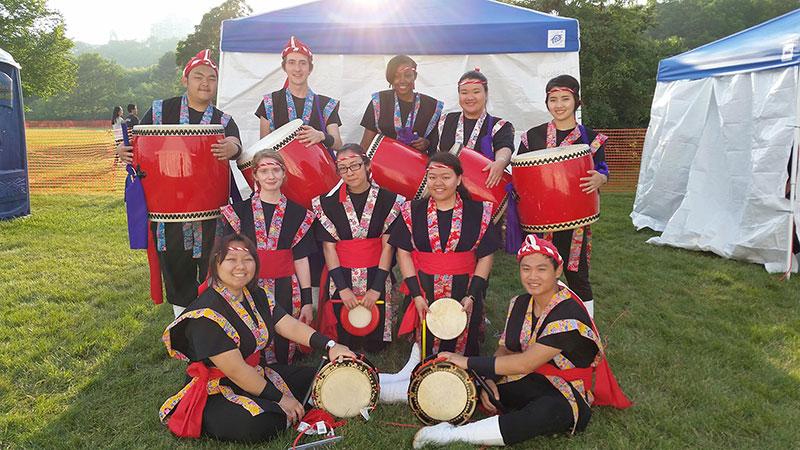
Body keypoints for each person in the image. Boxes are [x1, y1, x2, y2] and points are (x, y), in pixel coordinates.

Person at [412, 234, 631, 448]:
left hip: (568, 390)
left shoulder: (568, 312)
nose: (532, 276)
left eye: (541, 269)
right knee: (480, 389)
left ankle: (452, 436)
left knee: (547, 411)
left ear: (558, 271)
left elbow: (525, 362)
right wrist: (489, 379)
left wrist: (467, 361)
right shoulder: (520, 303)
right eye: (526, 269)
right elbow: (506, 349)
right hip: (532, 378)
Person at [159, 233, 355, 442]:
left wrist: (330, 345)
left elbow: (289, 325)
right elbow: (236, 371)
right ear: (216, 264)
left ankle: (292, 406)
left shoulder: (256, 295)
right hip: (219, 387)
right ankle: (282, 408)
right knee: (258, 425)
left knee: (319, 378)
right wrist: (282, 399)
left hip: (257, 374)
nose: (241, 266)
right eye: (231, 260)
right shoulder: (205, 314)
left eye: (247, 260)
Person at [116, 49, 243, 318]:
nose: (205, 83)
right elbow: (135, 142)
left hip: (211, 213)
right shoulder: (161, 110)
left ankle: (214, 324)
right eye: (198, 76)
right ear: (185, 80)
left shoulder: (223, 120)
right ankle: (183, 325)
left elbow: (235, 143)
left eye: (211, 78)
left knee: (214, 268)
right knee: (175, 267)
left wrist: (231, 147)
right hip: (168, 213)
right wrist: (122, 149)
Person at [390, 152, 500, 360]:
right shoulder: (411, 211)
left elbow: (486, 257)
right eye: (432, 177)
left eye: (446, 177)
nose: (438, 183)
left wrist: (472, 295)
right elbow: (403, 253)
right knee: (425, 348)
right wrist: (416, 295)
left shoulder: (479, 212)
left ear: (459, 179)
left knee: (464, 346)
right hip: (424, 288)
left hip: (465, 289)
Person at [517, 74, 609, 317]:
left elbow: (601, 169)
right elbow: (520, 175)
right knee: (537, 274)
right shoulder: (532, 137)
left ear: (577, 101)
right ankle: (538, 326)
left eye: (565, 99)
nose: (559, 105)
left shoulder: (591, 139)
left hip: (575, 221)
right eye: (553, 99)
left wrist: (601, 177)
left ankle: (588, 330)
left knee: (577, 273)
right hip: (538, 221)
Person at [219, 150, 316, 365]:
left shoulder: (300, 214)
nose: (270, 176)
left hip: (286, 287)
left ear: (284, 174)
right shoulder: (238, 212)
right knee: (250, 337)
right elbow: (226, 256)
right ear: (255, 175)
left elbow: (301, 260)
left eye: (275, 170)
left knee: (283, 344)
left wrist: (308, 302)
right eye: (264, 171)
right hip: (247, 285)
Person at [312, 144, 404, 352]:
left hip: (377, 272)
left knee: (377, 345)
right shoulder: (326, 203)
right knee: (344, 341)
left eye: (355, 165)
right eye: (343, 168)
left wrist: (376, 288)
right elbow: (329, 249)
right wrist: (343, 289)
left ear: (367, 165)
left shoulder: (389, 200)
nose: (350, 172)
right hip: (341, 275)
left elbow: (387, 248)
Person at [255, 36, 342, 152]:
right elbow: (263, 149)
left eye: (303, 63)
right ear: (284, 67)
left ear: (310, 69)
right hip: (282, 169)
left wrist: (322, 136)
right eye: (291, 62)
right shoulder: (270, 103)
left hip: (319, 168)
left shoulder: (326, 105)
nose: (297, 69)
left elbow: (338, 144)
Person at [437, 69, 514, 189]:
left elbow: (505, 148)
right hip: (447, 192)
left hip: (483, 192)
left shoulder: (499, 125)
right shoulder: (444, 121)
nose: (470, 97)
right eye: (464, 92)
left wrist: (501, 161)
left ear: (486, 94)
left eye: (476, 92)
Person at [359, 55, 444, 155]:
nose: (402, 80)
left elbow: (437, 145)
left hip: (416, 165)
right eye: (396, 76)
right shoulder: (379, 102)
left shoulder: (431, 106)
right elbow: (366, 144)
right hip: (383, 164)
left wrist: (426, 143)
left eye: (407, 75)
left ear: (415, 76)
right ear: (390, 78)